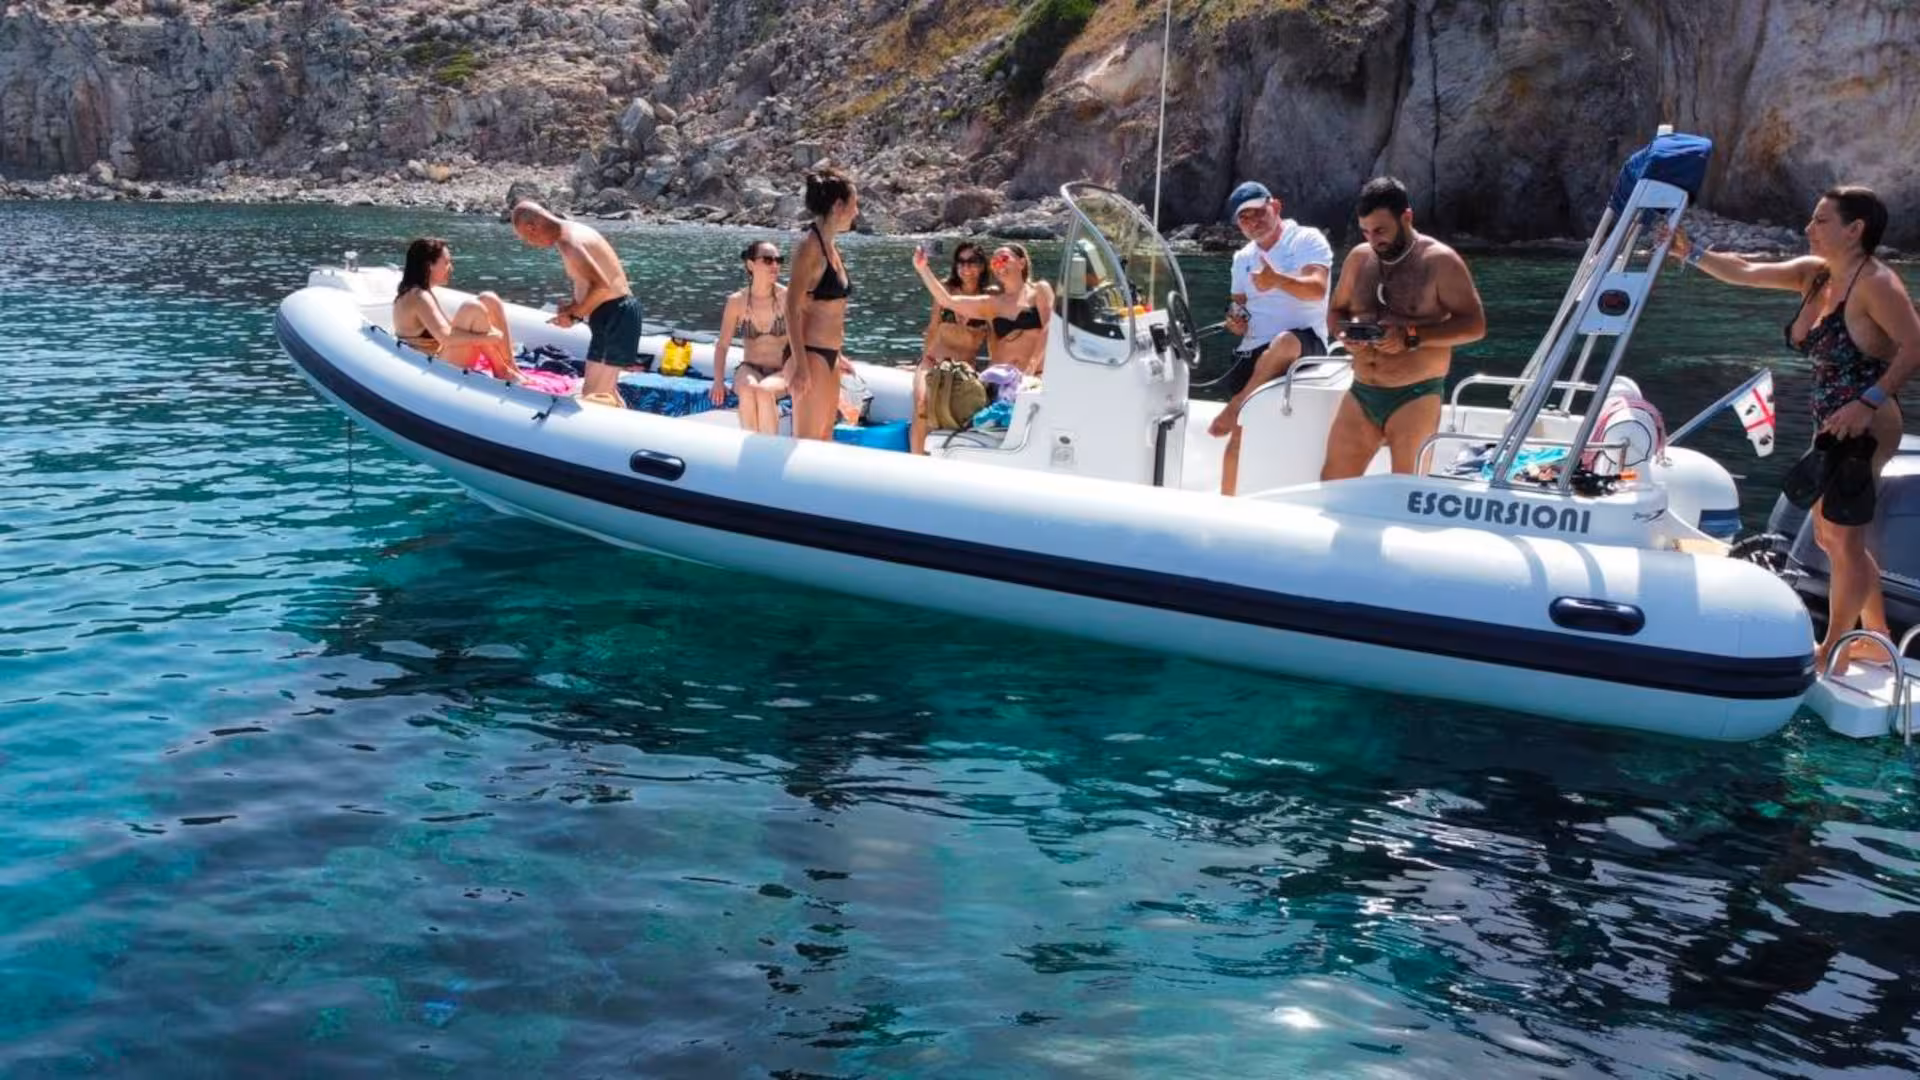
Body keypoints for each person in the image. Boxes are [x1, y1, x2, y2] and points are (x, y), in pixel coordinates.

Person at [1664, 187, 1920, 671]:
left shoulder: (1877, 284)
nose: (1808, 229)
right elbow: (1743, 269)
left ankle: (1835, 649)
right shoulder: (1815, 274)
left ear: (1855, 229)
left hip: (1867, 424)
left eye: (1821, 220)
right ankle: (1876, 636)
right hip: (1830, 424)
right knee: (1829, 536)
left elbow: (1914, 346)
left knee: (1843, 537)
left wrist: (1867, 402)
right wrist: (1690, 251)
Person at [1324, 176, 1486, 479]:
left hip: (1415, 394)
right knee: (1332, 482)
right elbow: (1336, 310)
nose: (1373, 240)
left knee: (1406, 488)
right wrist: (1343, 335)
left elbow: (1475, 326)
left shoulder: (1440, 261)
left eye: (1380, 230)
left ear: (1406, 217)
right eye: (1366, 231)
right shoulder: (1359, 258)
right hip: (1362, 391)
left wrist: (1412, 336)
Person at [1207, 181, 1334, 495]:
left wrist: (1277, 280)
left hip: (1303, 344)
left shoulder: (1305, 239)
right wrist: (1235, 320)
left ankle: (1238, 404)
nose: (1253, 221)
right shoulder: (1242, 258)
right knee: (1240, 437)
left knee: (1285, 342)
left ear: (1275, 207)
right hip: (1254, 349)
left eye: (1258, 212)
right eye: (1244, 217)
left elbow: (1317, 288)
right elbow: (1237, 305)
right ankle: (1226, 501)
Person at [509, 200, 641, 407]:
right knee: (601, 391)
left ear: (532, 227)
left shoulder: (570, 242)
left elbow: (603, 287)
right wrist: (573, 307)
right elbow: (591, 282)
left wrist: (574, 315)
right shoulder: (572, 231)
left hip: (616, 315)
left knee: (597, 394)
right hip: (610, 313)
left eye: (526, 238)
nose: (530, 244)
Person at [785, 167, 862, 440]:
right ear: (838, 205)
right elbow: (791, 308)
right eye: (854, 204)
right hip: (810, 354)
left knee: (827, 433)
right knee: (807, 440)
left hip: (830, 353)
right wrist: (800, 366)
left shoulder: (831, 246)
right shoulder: (810, 248)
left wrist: (838, 354)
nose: (857, 212)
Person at [911, 242, 1054, 379]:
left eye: (1004, 258)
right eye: (995, 262)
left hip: (1034, 376)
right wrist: (923, 269)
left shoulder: (1039, 290)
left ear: (1021, 263)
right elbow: (947, 301)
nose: (999, 265)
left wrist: (1031, 366)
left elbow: (1050, 327)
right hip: (1000, 378)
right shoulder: (992, 302)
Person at [391, 237, 521, 383]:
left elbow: (448, 329)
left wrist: (486, 331)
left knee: (488, 299)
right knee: (472, 308)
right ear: (429, 265)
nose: (451, 268)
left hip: (438, 358)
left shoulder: (421, 292)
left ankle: (511, 366)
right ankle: (502, 371)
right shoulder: (419, 296)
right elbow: (446, 338)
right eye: (446, 262)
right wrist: (487, 338)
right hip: (429, 368)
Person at [911, 241, 995, 453]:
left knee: (957, 412)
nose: (965, 267)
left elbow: (993, 341)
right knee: (922, 405)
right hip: (933, 362)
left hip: (963, 371)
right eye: (961, 262)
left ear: (982, 265)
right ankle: (916, 460)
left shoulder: (989, 299)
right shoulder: (945, 289)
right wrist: (923, 360)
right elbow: (933, 328)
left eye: (972, 261)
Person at [708, 241, 793, 435]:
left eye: (779, 260)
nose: (775, 265)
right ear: (750, 264)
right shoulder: (736, 301)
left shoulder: (787, 297)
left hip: (782, 370)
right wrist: (718, 381)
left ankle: (768, 446)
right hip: (750, 368)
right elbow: (722, 345)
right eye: (768, 260)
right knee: (748, 390)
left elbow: (806, 336)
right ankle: (754, 447)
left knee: (764, 391)